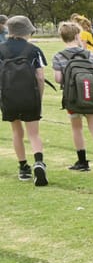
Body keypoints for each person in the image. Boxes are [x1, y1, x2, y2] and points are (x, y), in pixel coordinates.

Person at [51, 21, 93, 174]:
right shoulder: (89, 54)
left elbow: (58, 79)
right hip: (92, 95)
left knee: (77, 128)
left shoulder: (59, 56)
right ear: (77, 36)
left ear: (62, 37)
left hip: (72, 98)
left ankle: (82, 161)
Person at [0, 15, 48, 186]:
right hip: (30, 96)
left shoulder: (1, 49)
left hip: (8, 96)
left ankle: (23, 167)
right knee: (33, 133)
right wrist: (39, 98)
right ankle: (39, 162)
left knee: (16, 132)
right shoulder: (33, 50)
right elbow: (40, 77)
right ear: (27, 31)